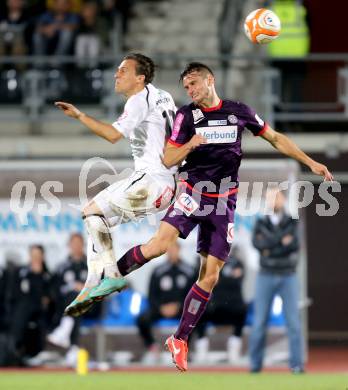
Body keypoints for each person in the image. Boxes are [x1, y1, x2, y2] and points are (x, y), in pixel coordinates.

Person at [87, 62, 333, 371]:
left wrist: (310, 162)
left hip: (224, 203)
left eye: (193, 83)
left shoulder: (238, 111)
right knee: (159, 245)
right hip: (193, 193)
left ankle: (179, 339)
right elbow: (169, 157)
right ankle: (107, 276)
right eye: (186, 86)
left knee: (211, 275)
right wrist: (190, 143)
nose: (189, 90)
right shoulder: (186, 116)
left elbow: (275, 138)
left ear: (210, 80)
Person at [55, 52, 177, 317]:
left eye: (123, 70)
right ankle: (92, 283)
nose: (116, 74)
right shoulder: (163, 95)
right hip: (167, 188)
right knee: (98, 223)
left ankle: (109, 275)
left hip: (152, 179)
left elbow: (112, 135)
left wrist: (79, 116)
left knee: (91, 211)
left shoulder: (138, 100)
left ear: (140, 78)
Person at [249, 186, 304, 373]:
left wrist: (270, 245)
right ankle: (255, 366)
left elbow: (294, 245)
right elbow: (257, 244)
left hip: (288, 274)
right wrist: (281, 242)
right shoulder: (260, 222)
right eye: (269, 197)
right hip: (265, 275)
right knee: (259, 323)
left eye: (276, 197)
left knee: (294, 323)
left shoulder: (292, 221)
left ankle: (297, 365)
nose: (273, 201)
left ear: (283, 199)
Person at [136, 242, 194, 364]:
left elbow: (192, 296)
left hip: (181, 309)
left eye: (174, 249)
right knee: (142, 319)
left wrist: (178, 306)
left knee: (195, 317)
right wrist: (161, 308)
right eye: (170, 249)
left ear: (179, 250)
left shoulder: (189, 271)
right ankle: (153, 348)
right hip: (160, 309)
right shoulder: (157, 271)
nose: (172, 252)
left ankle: (184, 349)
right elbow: (151, 295)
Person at [194, 249, 247, 365]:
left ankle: (235, 345)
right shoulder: (205, 259)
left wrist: (218, 278)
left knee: (242, 309)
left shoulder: (236, 262)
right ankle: (201, 345)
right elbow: (202, 280)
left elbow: (236, 283)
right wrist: (226, 279)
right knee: (198, 307)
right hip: (212, 305)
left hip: (231, 305)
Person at [10, 245, 51, 363]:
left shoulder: (47, 275)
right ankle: (17, 350)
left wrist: (38, 275)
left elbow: (48, 297)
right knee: (21, 310)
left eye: (38, 256)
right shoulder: (21, 273)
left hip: (41, 311)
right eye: (33, 256)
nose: (36, 258)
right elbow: (15, 294)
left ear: (42, 257)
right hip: (23, 310)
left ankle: (39, 352)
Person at [47, 233, 87, 350]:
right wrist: (72, 287)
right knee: (73, 298)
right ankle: (73, 347)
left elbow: (100, 285)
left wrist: (85, 288)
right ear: (69, 246)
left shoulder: (91, 265)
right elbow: (55, 288)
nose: (76, 246)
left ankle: (64, 330)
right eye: (74, 244)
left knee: (77, 298)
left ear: (83, 245)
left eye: (79, 244)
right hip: (64, 305)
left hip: (89, 305)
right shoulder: (61, 267)